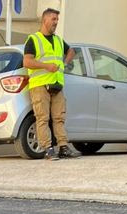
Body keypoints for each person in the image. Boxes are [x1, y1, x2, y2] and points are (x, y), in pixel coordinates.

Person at [23, 8, 79, 160]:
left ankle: (63, 147)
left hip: (56, 85)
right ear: (44, 20)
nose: (56, 23)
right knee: (43, 118)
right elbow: (27, 61)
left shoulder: (58, 40)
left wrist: (64, 63)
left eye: (57, 20)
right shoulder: (33, 39)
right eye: (53, 19)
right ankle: (48, 149)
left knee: (59, 117)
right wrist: (46, 66)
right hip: (40, 85)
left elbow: (71, 51)